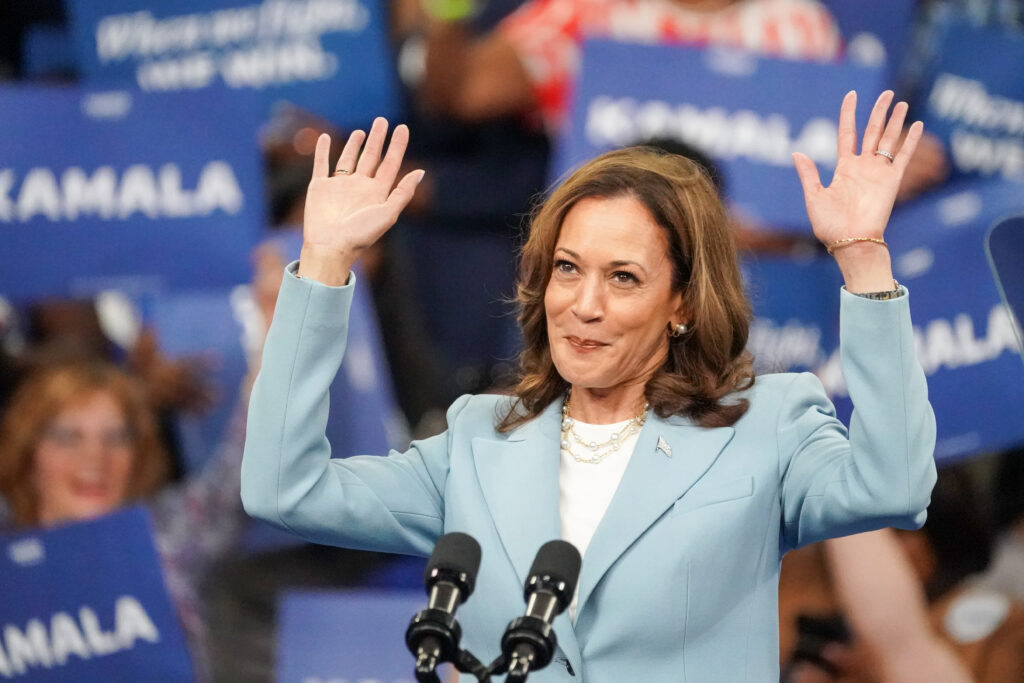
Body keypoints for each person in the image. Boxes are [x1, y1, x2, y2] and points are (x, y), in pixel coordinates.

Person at [242, 89, 937, 681]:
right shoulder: (479, 440)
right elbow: (284, 489)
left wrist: (863, 259)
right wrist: (326, 263)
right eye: (568, 268)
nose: (585, 303)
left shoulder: (766, 426)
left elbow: (895, 485)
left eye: (624, 277)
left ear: (684, 303)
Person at [0, 360, 249, 681]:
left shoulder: (165, 536)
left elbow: (238, 478)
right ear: (29, 453)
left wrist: (270, 342)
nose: (95, 457)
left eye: (116, 437)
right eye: (68, 437)